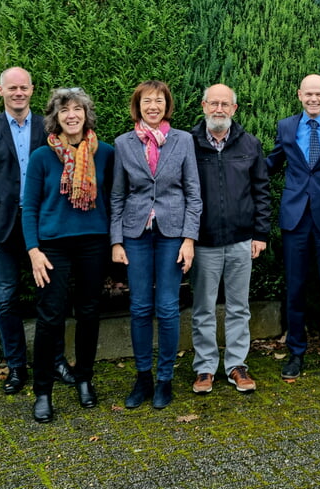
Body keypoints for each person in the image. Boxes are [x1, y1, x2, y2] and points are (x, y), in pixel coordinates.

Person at [0, 67, 75, 396]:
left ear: (31, 90)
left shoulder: (48, 129)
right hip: (2, 230)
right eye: (11, 88)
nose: (18, 92)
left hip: (43, 226)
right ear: (0, 91)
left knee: (52, 297)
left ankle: (56, 361)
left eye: (23, 87)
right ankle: (16, 367)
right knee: (7, 299)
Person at [22, 87, 115, 423]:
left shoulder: (104, 153)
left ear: (86, 114)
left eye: (78, 109)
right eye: (65, 110)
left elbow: (113, 200)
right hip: (52, 248)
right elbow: (29, 207)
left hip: (93, 242)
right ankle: (43, 391)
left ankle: (84, 379)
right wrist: (33, 250)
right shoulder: (41, 157)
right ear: (56, 117)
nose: (72, 115)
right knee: (50, 318)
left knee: (89, 313)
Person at [110, 81, 202, 409]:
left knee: (166, 307)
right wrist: (116, 240)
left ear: (166, 106)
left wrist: (189, 239)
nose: (153, 106)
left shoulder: (183, 141)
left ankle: (165, 379)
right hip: (135, 234)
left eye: (159, 101)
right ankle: (142, 377)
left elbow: (193, 193)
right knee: (139, 308)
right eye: (147, 101)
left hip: (172, 234)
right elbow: (118, 195)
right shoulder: (123, 144)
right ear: (138, 105)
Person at [266, 74, 320, 380]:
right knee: (295, 287)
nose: (313, 99)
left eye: (319, 94)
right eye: (308, 94)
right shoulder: (286, 126)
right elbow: (273, 163)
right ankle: (296, 352)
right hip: (295, 219)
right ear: (300, 95)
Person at [190, 84, 270, 394]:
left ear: (234, 109)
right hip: (204, 242)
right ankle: (205, 368)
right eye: (214, 103)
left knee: (239, 306)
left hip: (240, 240)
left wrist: (260, 234)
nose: (219, 109)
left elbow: (261, 192)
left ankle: (237, 365)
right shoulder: (189, 144)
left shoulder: (250, 144)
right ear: (204, 106)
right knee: (203, 308)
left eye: (225, 104)